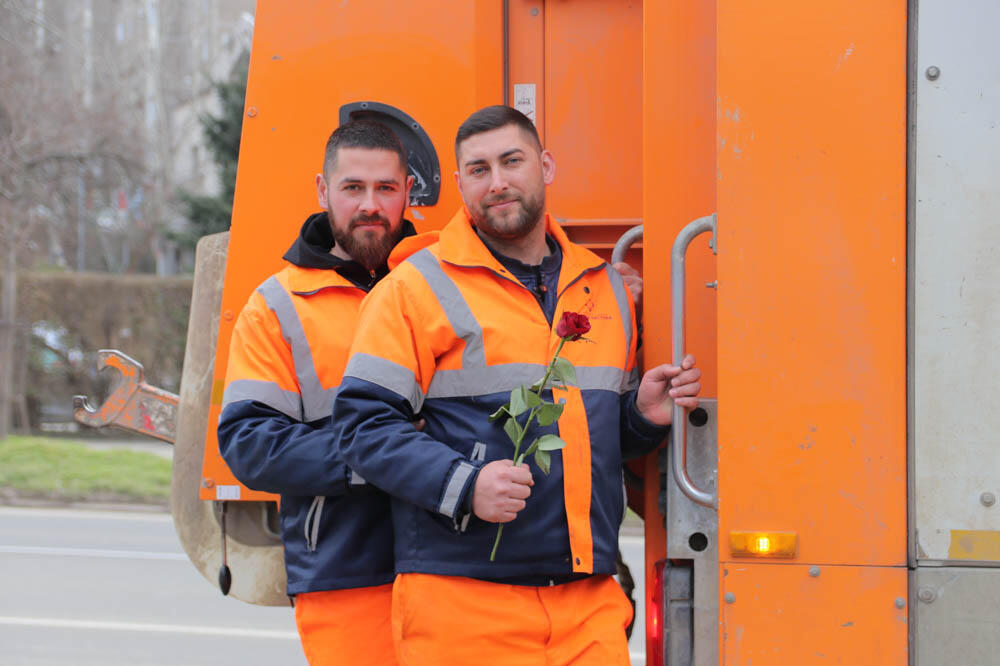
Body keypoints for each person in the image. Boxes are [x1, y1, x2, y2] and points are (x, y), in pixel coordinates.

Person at [332, 106, 701, 666]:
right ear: (460, 185)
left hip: (588, 604)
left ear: (546, 166)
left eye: (512, 161)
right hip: (460, 604)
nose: (498, 182)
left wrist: (639, 418)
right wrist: (465, 484)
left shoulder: (605, 289)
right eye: (478, 170)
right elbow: (362, 428)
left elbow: (584, 442)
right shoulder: (412, 288)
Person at [217, 119, 431, 666]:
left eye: (386, 188)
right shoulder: (276, 307)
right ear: (322, 190)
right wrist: (385, 457)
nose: (370, 205)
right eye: (353, 188)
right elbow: (249, 443)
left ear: (408, 192)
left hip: (458, 569)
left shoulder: (443, 285)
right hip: (345, 574)